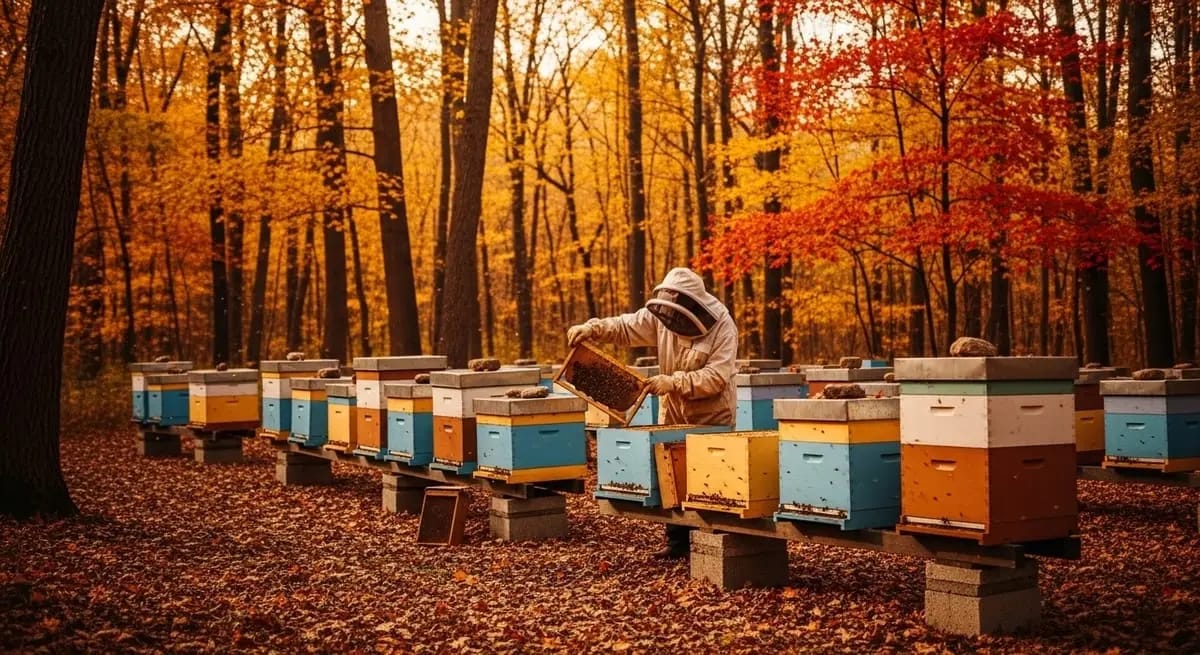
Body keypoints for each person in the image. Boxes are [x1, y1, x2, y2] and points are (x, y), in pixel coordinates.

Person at [567, 267, 738, 559]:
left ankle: (710, 545)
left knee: (709, 482)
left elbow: (716, 377)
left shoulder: (723, 325)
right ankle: (677, 545)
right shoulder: (663, 316)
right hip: (673, 412)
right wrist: (592, 328)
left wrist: (674, 382)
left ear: (694, 304)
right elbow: (626, 327)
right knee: (672, 476)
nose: (673, 323)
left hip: (712, 416)